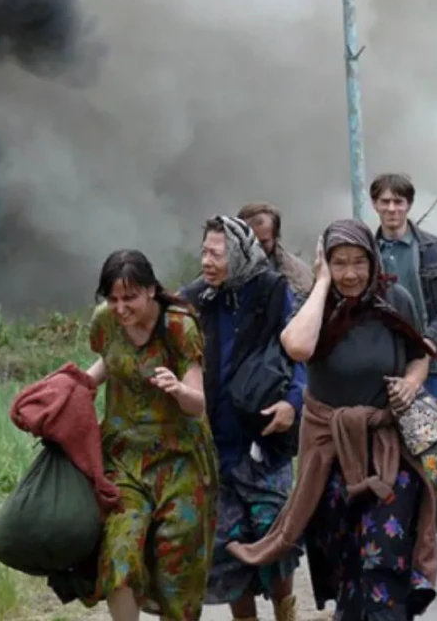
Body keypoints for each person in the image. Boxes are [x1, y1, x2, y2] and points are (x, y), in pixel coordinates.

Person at [227, 219, 437, 619]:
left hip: (387, 447)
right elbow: (296, 347)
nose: (351, 273)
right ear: (325, 263)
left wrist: (412, 383)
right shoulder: (315, 306)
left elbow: (419, 354)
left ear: (373, 261)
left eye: (359, 261)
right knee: (345, 558)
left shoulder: (396, 300)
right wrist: (323, 284)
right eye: (339, 262)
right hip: (330, 453)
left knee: (383, 555)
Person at [181, 217, 305, 621]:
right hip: (216, 444)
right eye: (204, 251)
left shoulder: (273, 292)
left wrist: (293, 402)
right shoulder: (194, 300)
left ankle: (285, 612)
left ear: (239, 255)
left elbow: (299, 353)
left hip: (265, 438)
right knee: (228, 544)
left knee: (275, 535)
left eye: (216, 254)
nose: (207, 261)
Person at [83, 250, 217, 621]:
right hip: (123, 458)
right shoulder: (105, 321)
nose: (120, 308)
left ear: (150, 291)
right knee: (118, 553)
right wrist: (76, 387)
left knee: (178, 567)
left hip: (181, 460)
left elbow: (197, 403)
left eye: (130, 298)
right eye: (113, 299)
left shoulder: (178, 326)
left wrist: (178, 389)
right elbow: (108, 362)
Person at [370, 172, 437, 534]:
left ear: (409, 205)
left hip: (430, 359)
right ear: (375, 204)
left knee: (434, 437)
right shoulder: (366, 253)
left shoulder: (435, 250)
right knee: (391, 437)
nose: (392, 208)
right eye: (385, 201)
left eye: (399, 201)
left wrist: (434, 336)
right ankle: (402, 508)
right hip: (385, 359)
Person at [238, 202, 315, 297]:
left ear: (275, 237)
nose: (255, 247)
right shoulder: (223, 268)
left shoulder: (299, 276)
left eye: (263, 242)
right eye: (250, 241)